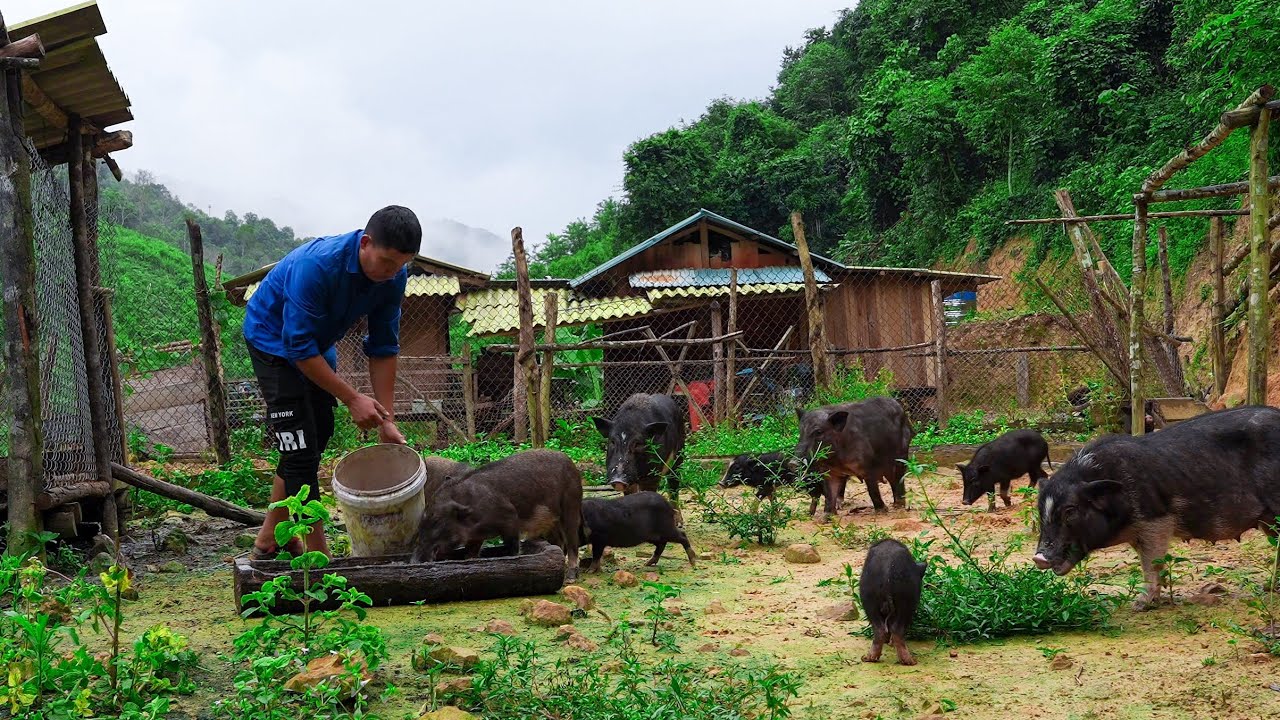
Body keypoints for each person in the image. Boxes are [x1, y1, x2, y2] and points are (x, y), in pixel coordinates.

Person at [243, 205, 421, 559]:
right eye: (387, 262)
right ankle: (318, 559)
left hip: (316, 348)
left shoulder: (393, 277)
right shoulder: (318, 266)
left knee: (315, 438)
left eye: (401, 265)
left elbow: (384, 347)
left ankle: (267, 540)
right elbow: (296, 346)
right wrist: (353, 398)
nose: (392, 272)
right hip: (273, 342)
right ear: (366, 243)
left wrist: (387, 420)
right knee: (299, 450)